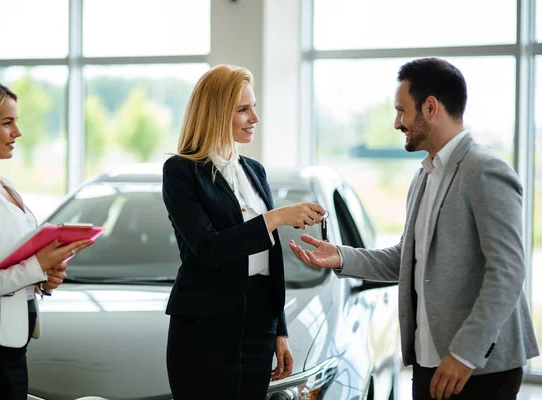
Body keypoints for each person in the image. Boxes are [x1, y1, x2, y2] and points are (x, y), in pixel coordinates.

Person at [289, 58, 539, 400]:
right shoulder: (424, 176)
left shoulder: (485, 170)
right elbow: (407, 259)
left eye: (401, 111)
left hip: (478, 366)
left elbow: (508, 272)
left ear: (431, 107)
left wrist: (465, 354)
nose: (397, 122)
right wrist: (340, 257)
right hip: (429, 362)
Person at [162, 64, 326, 400]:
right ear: (216, 114)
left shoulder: (255, 171)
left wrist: (279, 330)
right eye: (243, 109)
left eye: (254, 107)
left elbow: (267, 264)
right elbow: (209, 249)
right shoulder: (181, 171)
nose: (255, 117)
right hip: (203, 330)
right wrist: (276, 217)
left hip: (258, 329)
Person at [0, 78, 92, 400]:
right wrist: (35, 268)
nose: (17, 133)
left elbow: (11, 264)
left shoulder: (2, 183)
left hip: (12, 345)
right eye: (7, 123)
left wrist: (43, 277)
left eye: (16, 122)